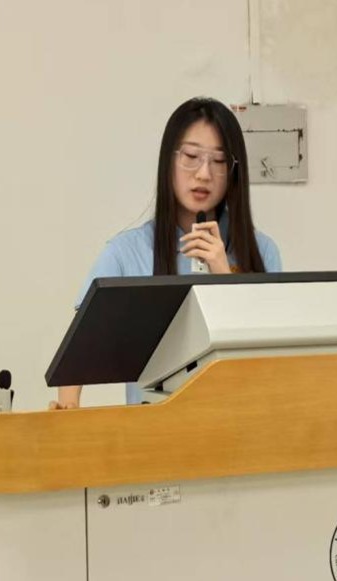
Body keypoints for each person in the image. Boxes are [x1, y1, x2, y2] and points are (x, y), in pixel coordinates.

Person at [50, 96, 282, 409]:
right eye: (191, 156)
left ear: (233, 171)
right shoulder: (127, 252)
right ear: (168, 162)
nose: (204, 173)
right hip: (153, 430)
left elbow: (270, 363)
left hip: (235, 424)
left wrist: (224, 276)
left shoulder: (262, 251)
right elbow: (79, 350)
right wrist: (68, 412)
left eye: (218, 161)